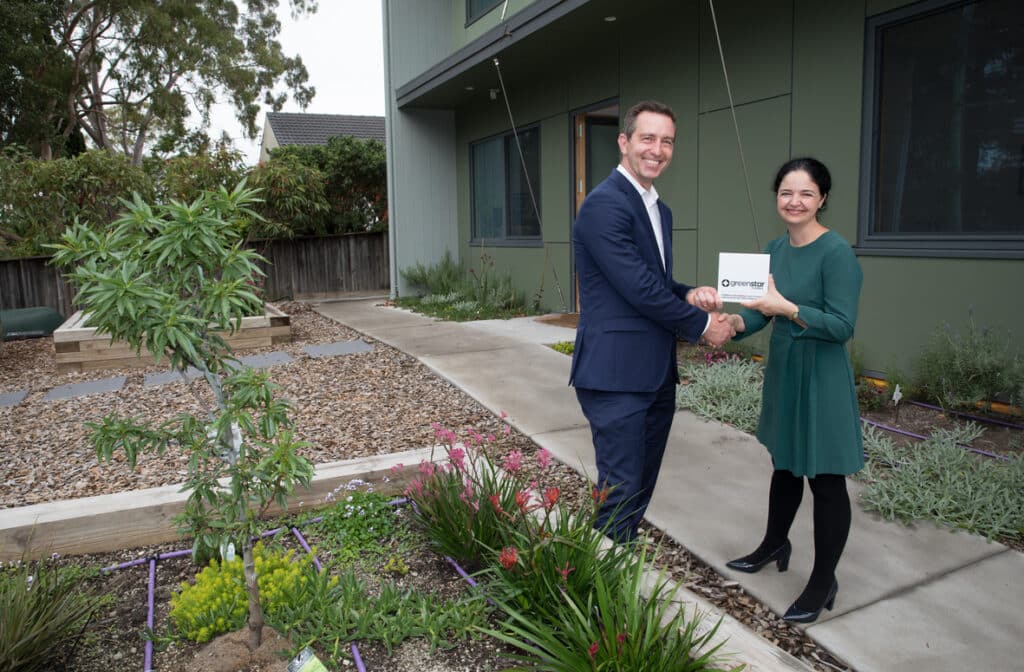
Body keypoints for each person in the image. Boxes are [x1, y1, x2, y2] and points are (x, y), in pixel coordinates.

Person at [569, 100, 735, 543]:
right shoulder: (605, 205)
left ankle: (618, 566)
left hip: (655, 373)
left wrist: (687, 294)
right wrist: (702, 327)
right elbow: (638, 288)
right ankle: (599, 590)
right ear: (624, 142)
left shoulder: (659, 211)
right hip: (616, 374)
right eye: (648, 138)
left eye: (667, 141)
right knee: (619, 489)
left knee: (639, 486)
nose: (657, 149)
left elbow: (654, 281)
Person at [724, 157, 863, 624]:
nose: (795, 201)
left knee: (825, 480)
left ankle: (824, 579)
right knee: (784, 464)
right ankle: (774, 543)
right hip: (786, 369)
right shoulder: (773, 250)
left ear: (822, 198)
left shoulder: (837, 252)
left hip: (821, 377)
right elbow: (764, 312)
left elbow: (842, 326)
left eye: (806, 193)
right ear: (776, 197)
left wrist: (788, 306)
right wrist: (736, 322)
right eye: (786, 192)